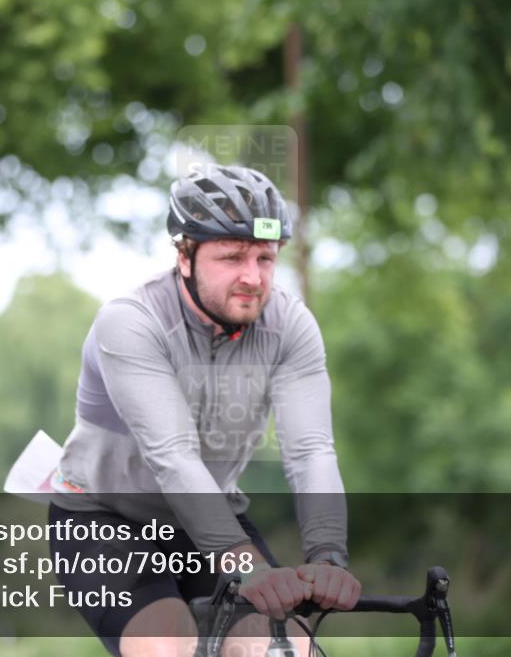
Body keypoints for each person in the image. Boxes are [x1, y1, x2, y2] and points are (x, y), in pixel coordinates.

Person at [48, 164, 360, 657]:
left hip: (213, 516)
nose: (252, 277)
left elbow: (311, 451)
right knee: (169, 648)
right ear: (185, 256)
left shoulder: (290, 325)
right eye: (232, 256)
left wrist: (328, 557)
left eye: (265, 257)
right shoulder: (131, 322)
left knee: (285, 653)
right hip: (104, 519)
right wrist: (248, 567)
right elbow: (173, 457)